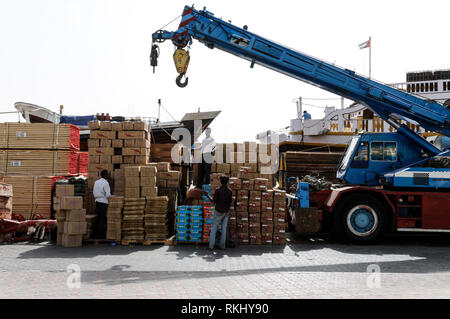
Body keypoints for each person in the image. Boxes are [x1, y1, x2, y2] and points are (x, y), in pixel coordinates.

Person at [207, 175, 233, 250]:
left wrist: (208, 196)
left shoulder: (218, 190)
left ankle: (211, 246)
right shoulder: (230, 191)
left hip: (218, 211)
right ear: (227, 182)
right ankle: (222, 246)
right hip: (226, 212)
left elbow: (213, 201)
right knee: (224, 229)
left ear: (221, 182)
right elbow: (230, 202)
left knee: (214, 228)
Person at [92, 170, 111, 239]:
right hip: (103, 202)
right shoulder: (106, 183)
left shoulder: (96, 182)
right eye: (108, 174)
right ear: (105, 175)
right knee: (102, 219)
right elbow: (108, 195)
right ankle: (100, 235)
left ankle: (95, 234)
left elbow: (94, 192)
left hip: (97, 201)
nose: (109, 176)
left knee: (98, 217)